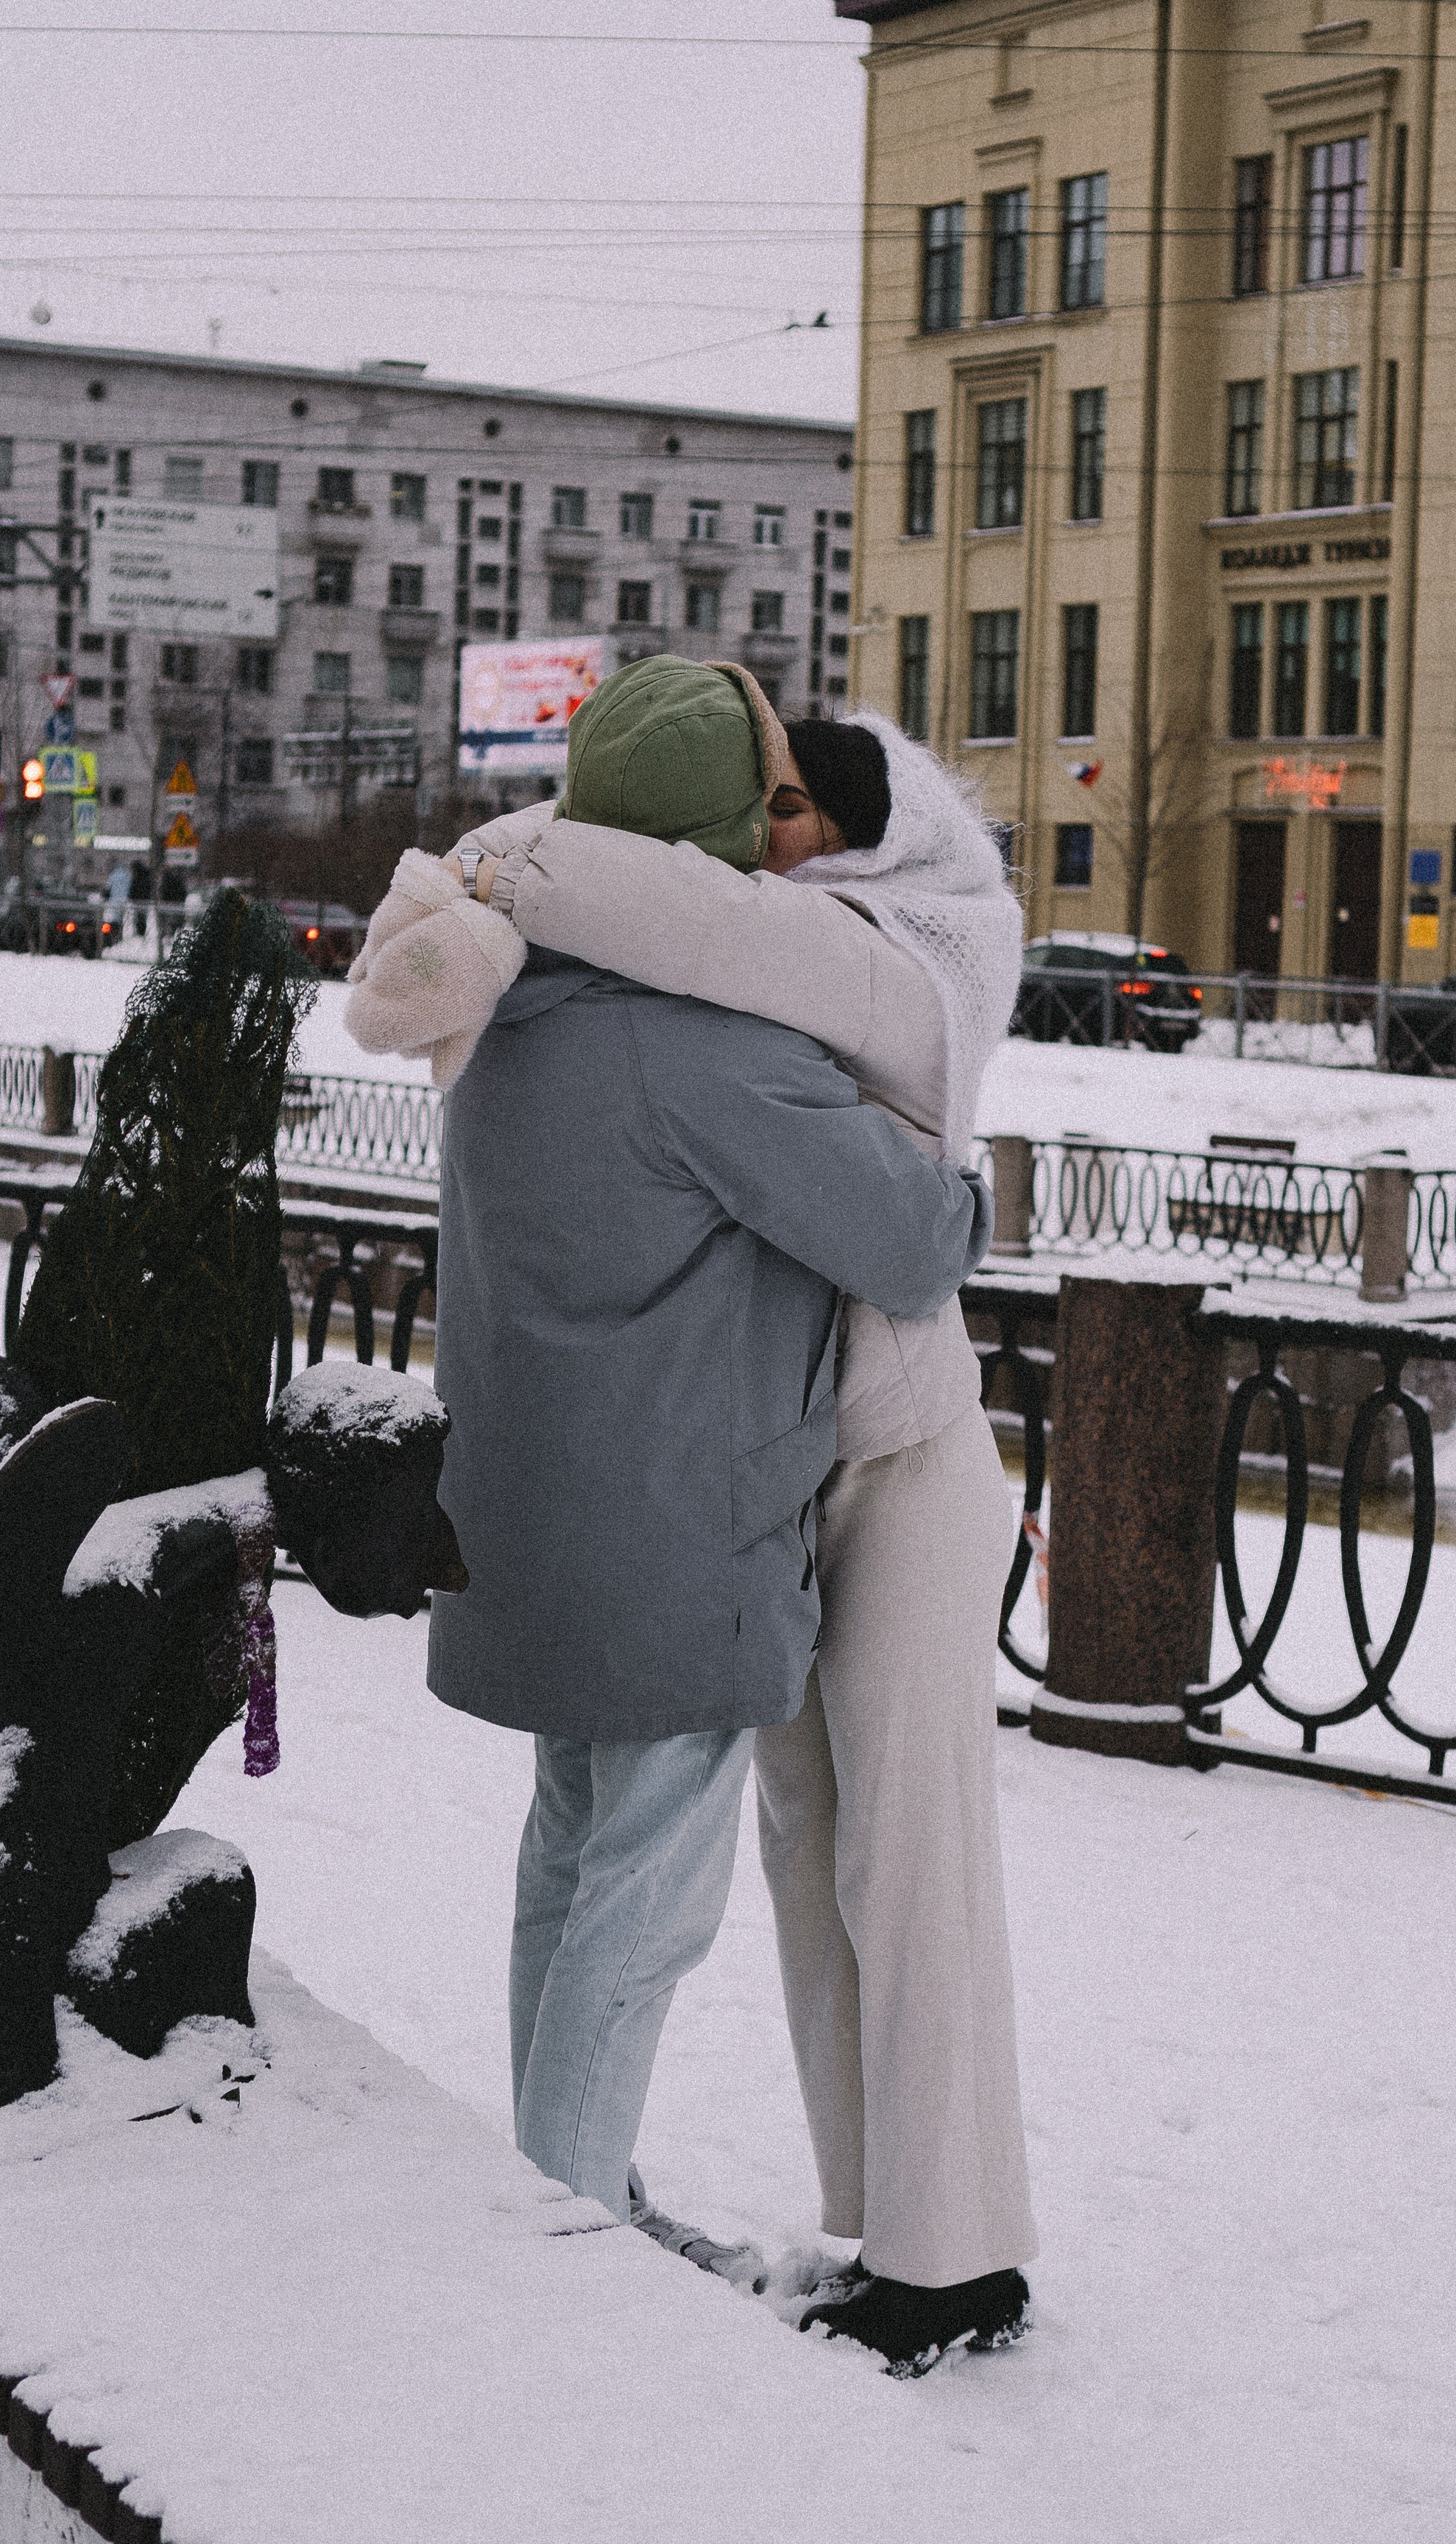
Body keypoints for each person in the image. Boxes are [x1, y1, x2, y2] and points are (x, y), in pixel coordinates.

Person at [349, 680, 1039, 2378]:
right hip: (679, 1529)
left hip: (553, 1521)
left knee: (577, 1868)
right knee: (643, 1904)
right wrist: (955, 1181)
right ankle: (566, 2215)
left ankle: (652, 2203)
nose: (782, 847)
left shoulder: (504, 1017)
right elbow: (909, 1240)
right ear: (721, 838)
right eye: (766, 810)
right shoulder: (709, 1038)